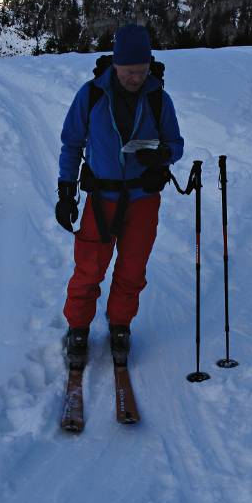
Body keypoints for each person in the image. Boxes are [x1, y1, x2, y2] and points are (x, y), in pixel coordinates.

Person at [56, 24, 184, 370]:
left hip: (143, 200)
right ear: (115, 65)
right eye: (129, 71)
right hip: (102, 198)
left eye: (141, 71)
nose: (135, 78)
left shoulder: (159, 98)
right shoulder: (92, 95)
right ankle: (78, 328)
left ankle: (120, 326)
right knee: (89, 268)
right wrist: (65, 191)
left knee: (132, 269)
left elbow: (176, 144)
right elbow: (72, 143)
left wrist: (161, 157)